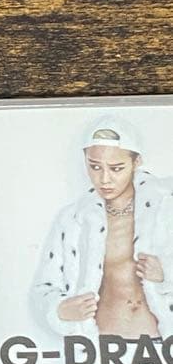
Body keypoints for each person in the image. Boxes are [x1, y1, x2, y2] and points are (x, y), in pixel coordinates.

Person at [33, 119, 173, 339]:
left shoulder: (166, 209)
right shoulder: (73, 220)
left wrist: (167, 275)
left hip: (161, 347)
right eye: (95, 167)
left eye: (116, 168)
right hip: (99, 348)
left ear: (136, 162)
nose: (105, 179)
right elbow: (44, 288)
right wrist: (60, 310)